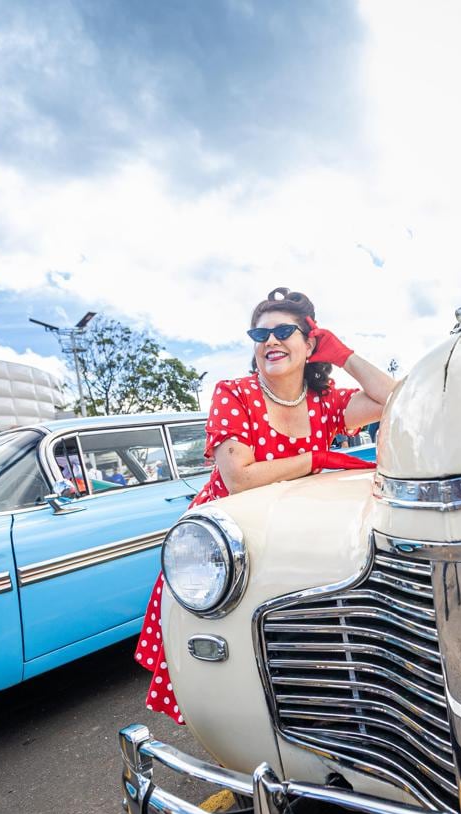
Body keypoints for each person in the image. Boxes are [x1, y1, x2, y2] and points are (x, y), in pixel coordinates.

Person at [135, 287, 397, 724]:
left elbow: (397, 399)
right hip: (235, 543)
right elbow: (239, 478)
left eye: (283, 332)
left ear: (310, 344)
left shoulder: (326, 401)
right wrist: (314, 459)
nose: (270, 340)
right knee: (234, 664)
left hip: (294, 538)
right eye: (260, 333)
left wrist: (344, 355)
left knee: (303, 655)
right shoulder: (234, 393)